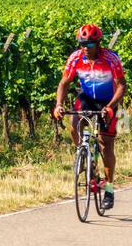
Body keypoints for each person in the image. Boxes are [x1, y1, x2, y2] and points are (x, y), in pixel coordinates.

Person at [52, 23, 125, 209]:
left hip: (108, 100)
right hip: (87, 98)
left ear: (98, 44)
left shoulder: (110, 58)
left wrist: (110, 107)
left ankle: (108, 189)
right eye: (82, 44)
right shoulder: (75, 58)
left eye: (89, 45)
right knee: (74, 123)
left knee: (106, 144)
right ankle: (83, 154)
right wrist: (59, 105)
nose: (85, 48)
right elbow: (64, 83)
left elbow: (122, 86)